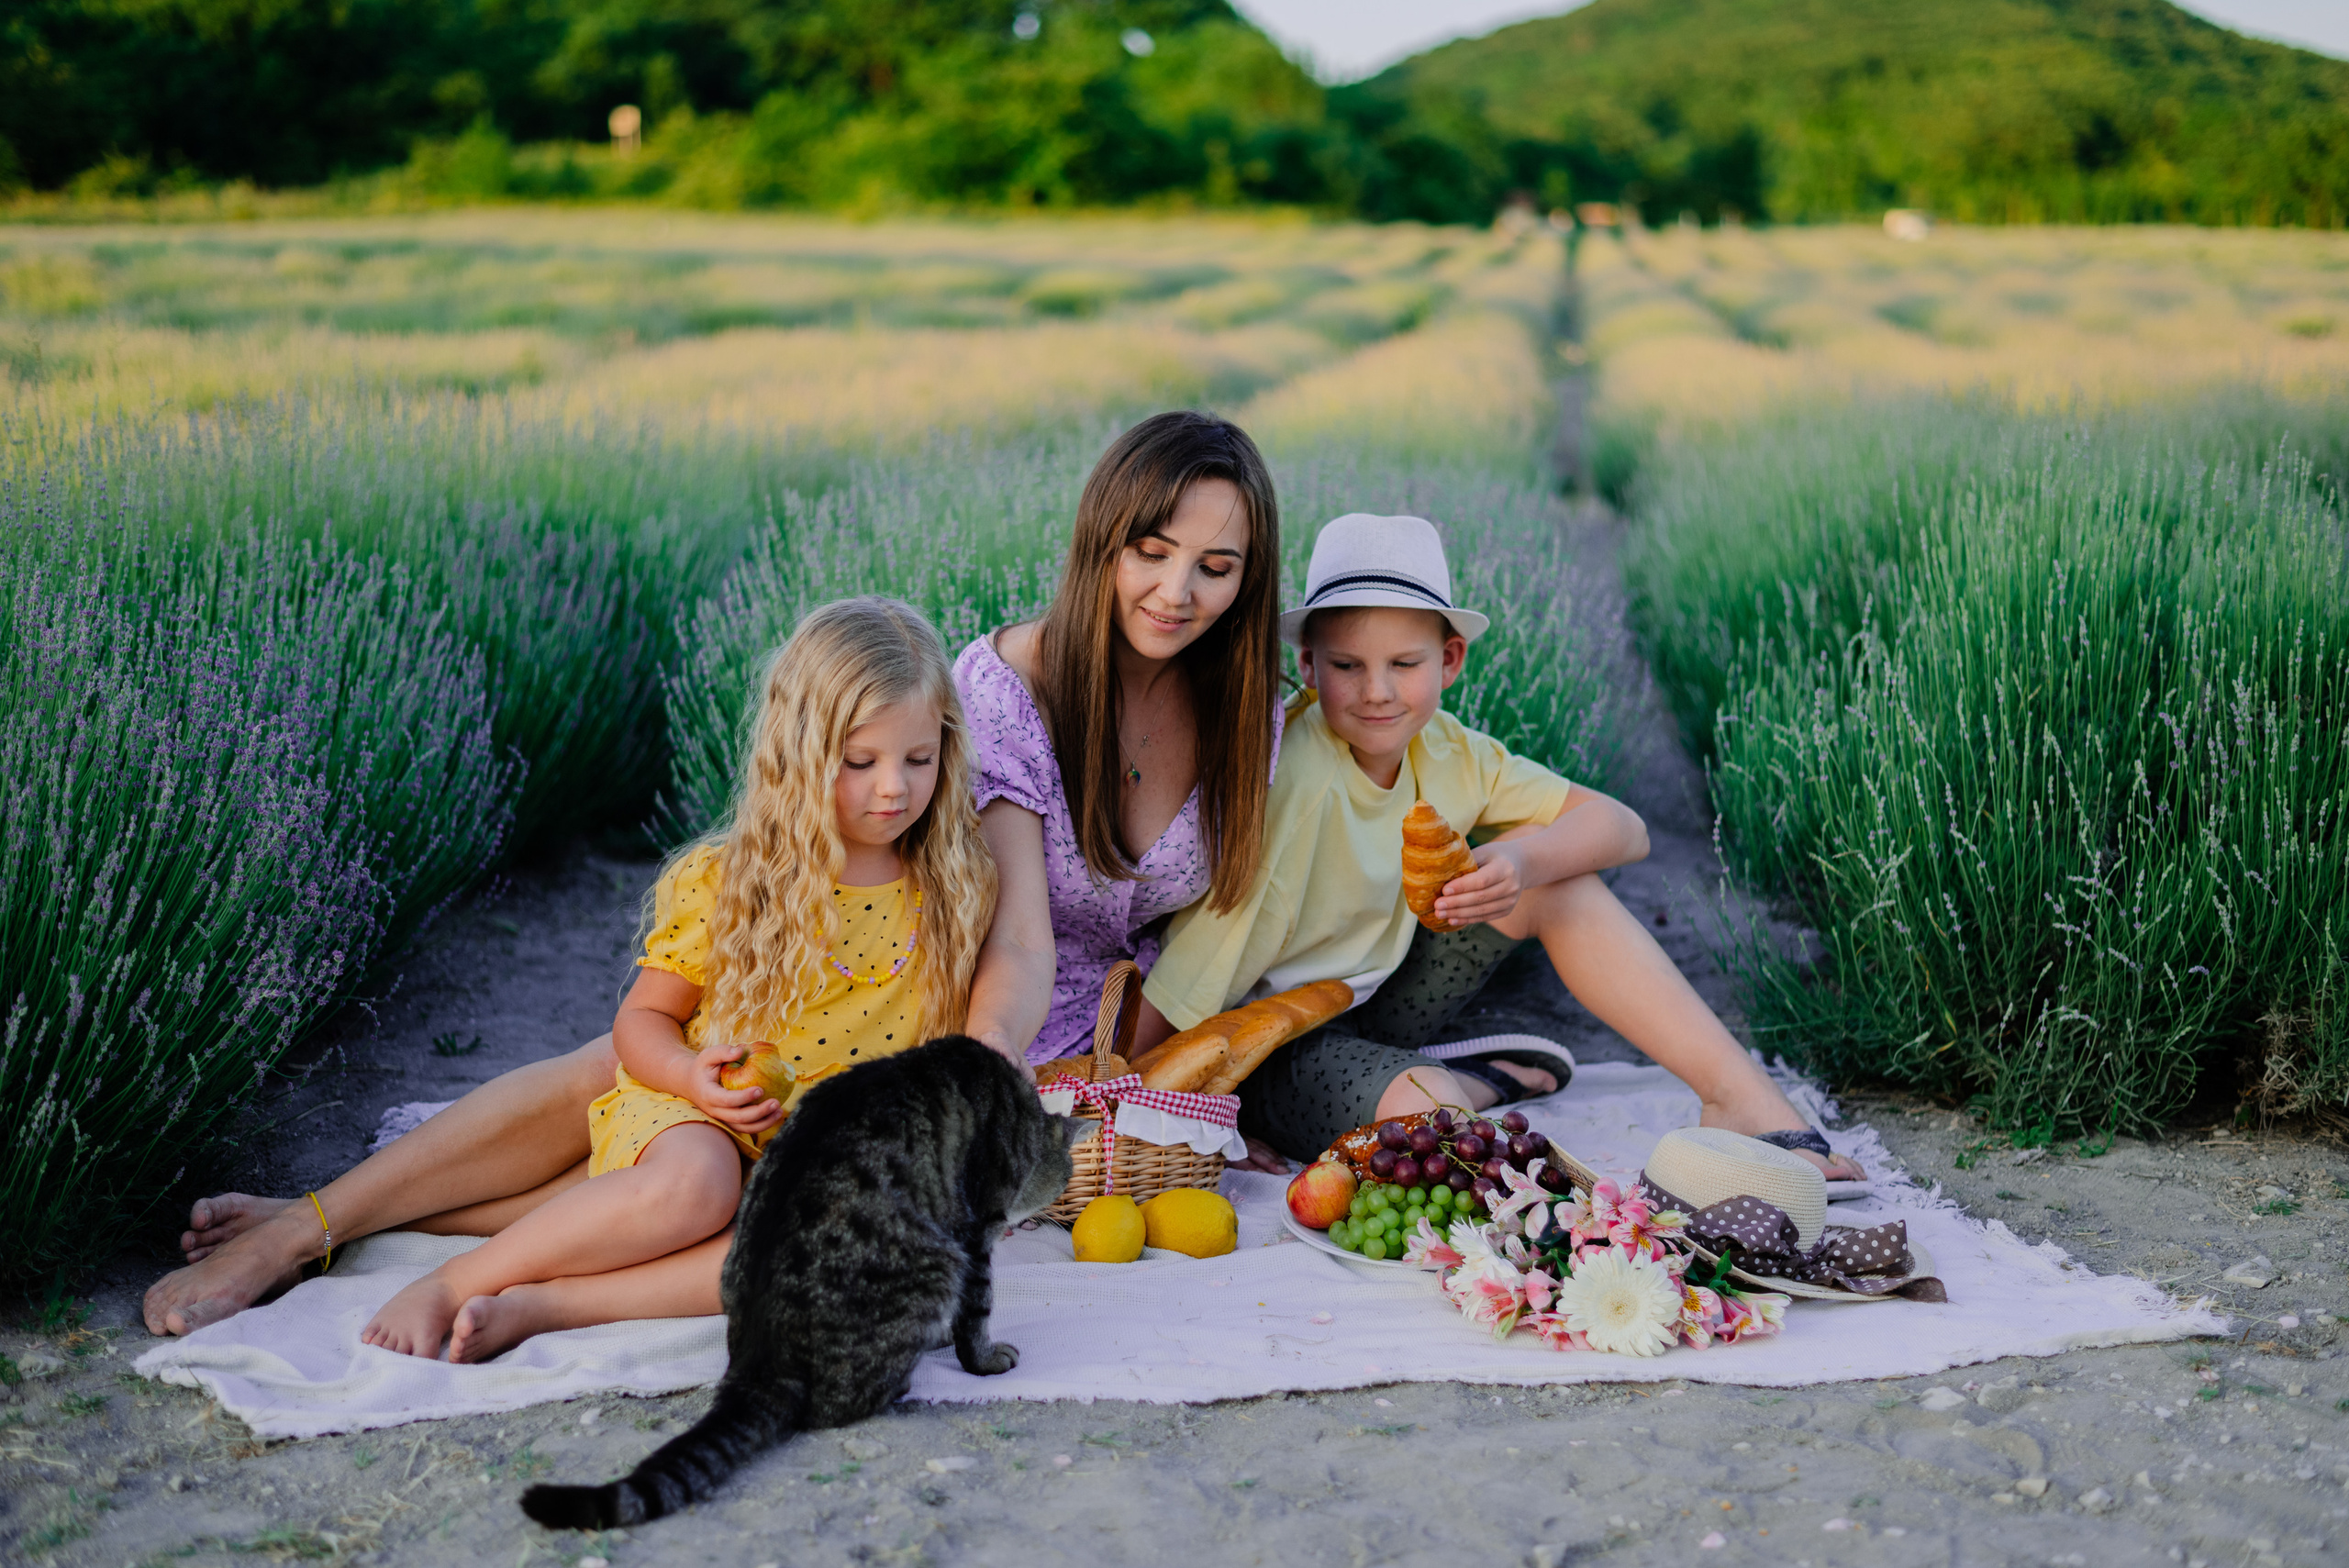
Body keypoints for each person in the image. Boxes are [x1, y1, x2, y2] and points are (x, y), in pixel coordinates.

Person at [139, 411, 1299, 1340]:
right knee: (654, 1059)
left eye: (1216, 566)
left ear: (1251, 578)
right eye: (1152, 552)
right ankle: (313, 1223)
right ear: (1103, 535)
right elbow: (1017, 941)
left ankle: (412, 1247)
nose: (1177, 591)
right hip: (978, 1007)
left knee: (734, 1182)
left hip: (1071, 1037)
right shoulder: (1002, 692)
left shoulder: (1246, 709)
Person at [1130, 513, 1864, 1182]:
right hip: (1268, 1046)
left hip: (1375, 998)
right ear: (1310, 666)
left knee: (1559, 878)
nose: (1377, 691)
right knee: (1439, 1120)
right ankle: (1477, 1079)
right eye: (1347, 665)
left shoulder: (1453, 752)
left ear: (1450, 661)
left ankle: (1742, 1101)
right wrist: (1181, 1112)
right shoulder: (1289, 776)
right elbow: (1193, 977)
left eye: (1405, 664)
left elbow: (1624, 829)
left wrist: (1519, 862)